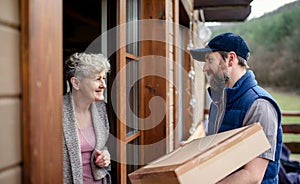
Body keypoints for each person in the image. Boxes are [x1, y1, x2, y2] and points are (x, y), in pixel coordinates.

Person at [190, 32, 282, 184]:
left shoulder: (259, 106)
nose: (204, 68)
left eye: (210, 60)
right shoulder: (218, 103)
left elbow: (252, 176)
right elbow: (220, 149)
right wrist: (193, 151)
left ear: (231, 59)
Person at [63, 52, 111, 184]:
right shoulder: (56, 112)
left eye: (104, 78)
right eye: (97, 79)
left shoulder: (101, 109)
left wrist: (105, 157)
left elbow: (101, 146)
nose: (103, 85)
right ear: (76, 83)